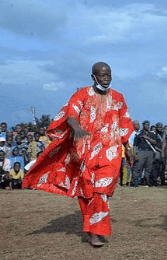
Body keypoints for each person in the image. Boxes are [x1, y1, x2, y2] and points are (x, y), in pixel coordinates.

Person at [23, 62, 135, 247]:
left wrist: (128, 149)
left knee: (101, 191)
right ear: (93, 77)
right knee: (87, 192)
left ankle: (96, 232)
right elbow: (70, 114)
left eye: (109, 75)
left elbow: (124, 126)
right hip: (85, 152)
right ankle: (92, 230)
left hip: (110, 153)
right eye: (102, 75)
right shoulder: (81, 94)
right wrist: (77, 129)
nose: (106, 79)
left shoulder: (118, 98)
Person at [131, 120, 157, 187]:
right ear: (143, 125)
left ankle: (147, 182)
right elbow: (135, 145)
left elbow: (155, 142)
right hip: (141, 151)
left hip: (150, 151)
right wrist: (135, 154)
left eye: (148, 125)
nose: (147, 126)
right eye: (145, 125)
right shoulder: (139, 134)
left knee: (148, 168)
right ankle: (135, 182)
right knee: (137, 168)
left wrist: (147, 138)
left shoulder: (151, 134)